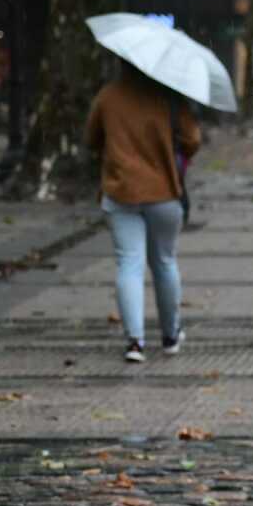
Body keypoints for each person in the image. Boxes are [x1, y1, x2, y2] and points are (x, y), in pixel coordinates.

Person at [85, 60, 201, 363]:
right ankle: (170, 335)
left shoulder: (108, 97)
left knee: (129, 264)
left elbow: (91, 140)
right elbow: (193, 140)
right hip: (163, 192)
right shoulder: (170, 96)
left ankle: (135, 342)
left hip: (120, 191)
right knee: (164, 261)